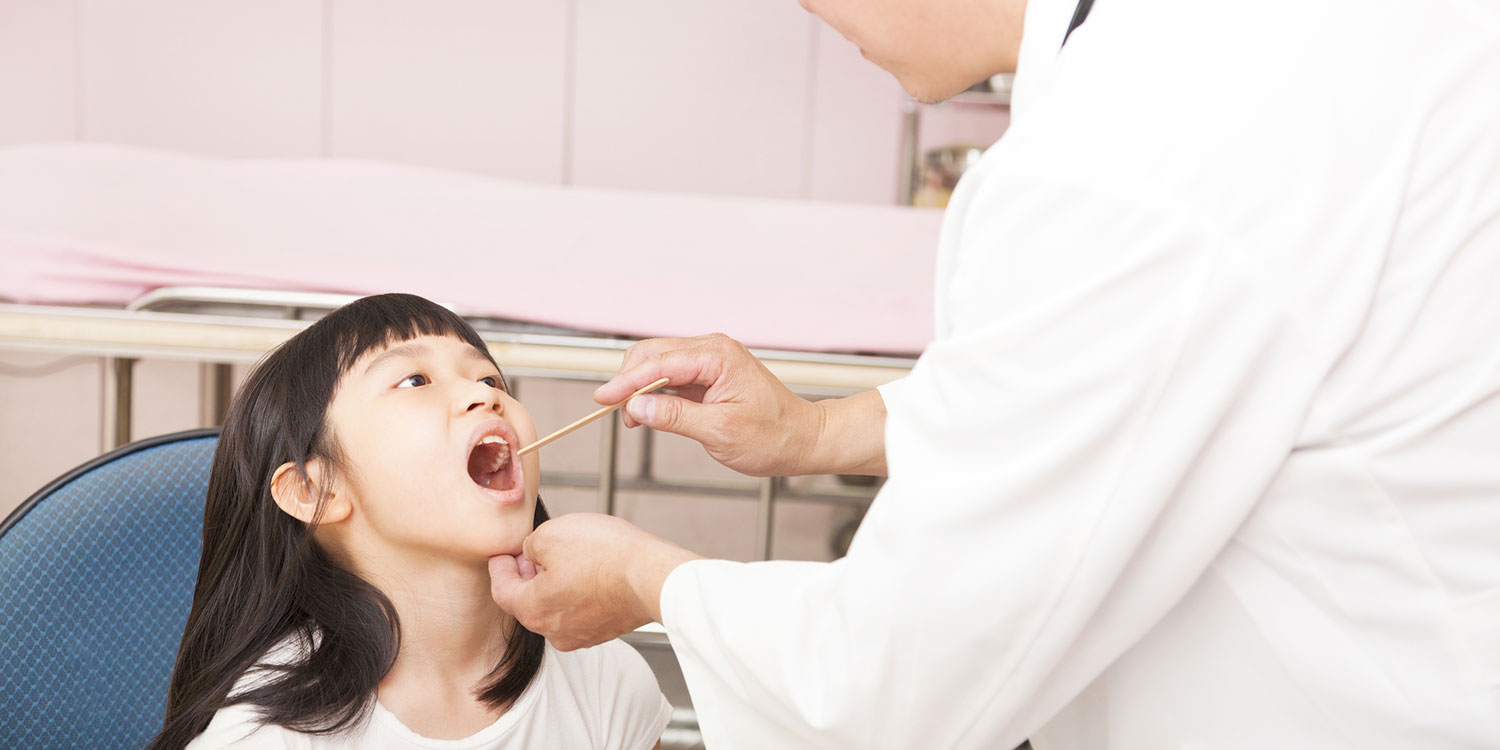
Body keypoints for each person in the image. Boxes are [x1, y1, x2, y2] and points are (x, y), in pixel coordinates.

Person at [489, 0, 1500, 747]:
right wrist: (820, 432)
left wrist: (651, 583)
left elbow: (906, 676)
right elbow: (1165, 377)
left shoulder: (1139, 157)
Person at [151, 294, 671, 749]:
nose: (486, 395)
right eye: (415, 379)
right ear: (315, 491)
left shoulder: (607, 682)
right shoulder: (266, 736)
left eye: (490, 377)